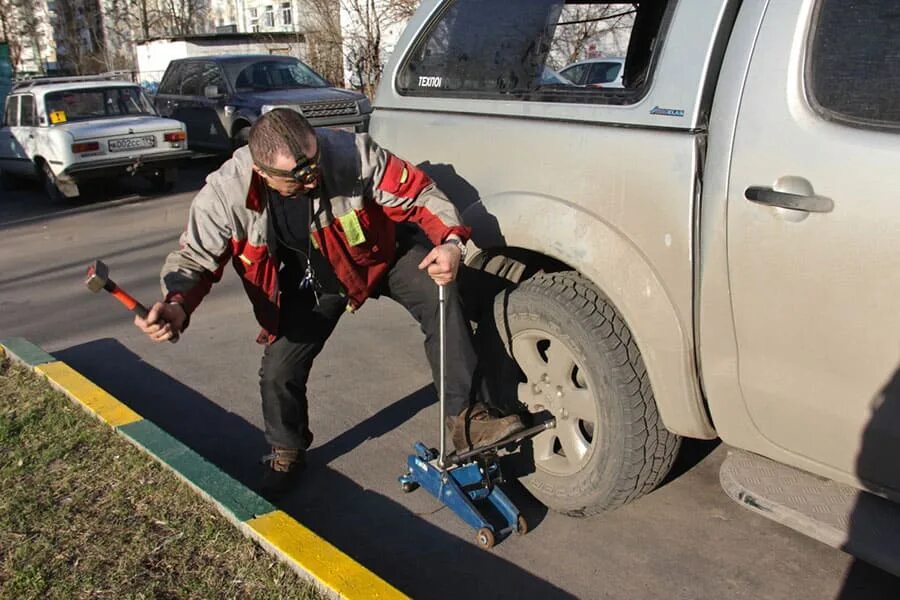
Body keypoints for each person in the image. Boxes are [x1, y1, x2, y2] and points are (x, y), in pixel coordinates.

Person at [134, 108, 524, 497]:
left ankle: (467, 418)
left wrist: (452, 243)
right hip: (311, 287)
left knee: (439, 290)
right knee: (278, 371)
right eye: (299, 176)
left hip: (376, 257)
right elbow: (194, 262)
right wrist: (177, 305)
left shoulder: (349, 153)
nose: (314, 177)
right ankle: (287, 448)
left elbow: (418, 193)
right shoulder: (225, 194)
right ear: (263, 171)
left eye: (315, 163)